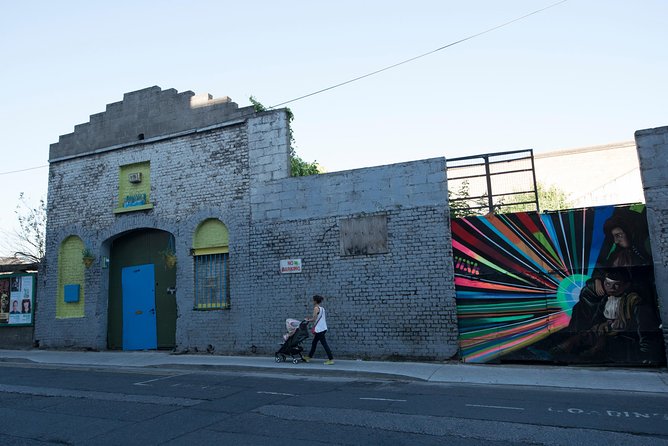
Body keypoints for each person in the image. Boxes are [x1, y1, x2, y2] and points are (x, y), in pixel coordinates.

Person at [303, 295, 334, 365]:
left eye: (313, 300)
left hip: (320, 329)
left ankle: (331, 359)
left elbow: (314, 319)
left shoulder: (316, 308)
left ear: (315, 301)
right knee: (314, 343)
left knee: (324, 344)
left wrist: (307, 320)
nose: (312, 301)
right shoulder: (322, 308)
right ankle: (309, 357)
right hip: (323, 328)